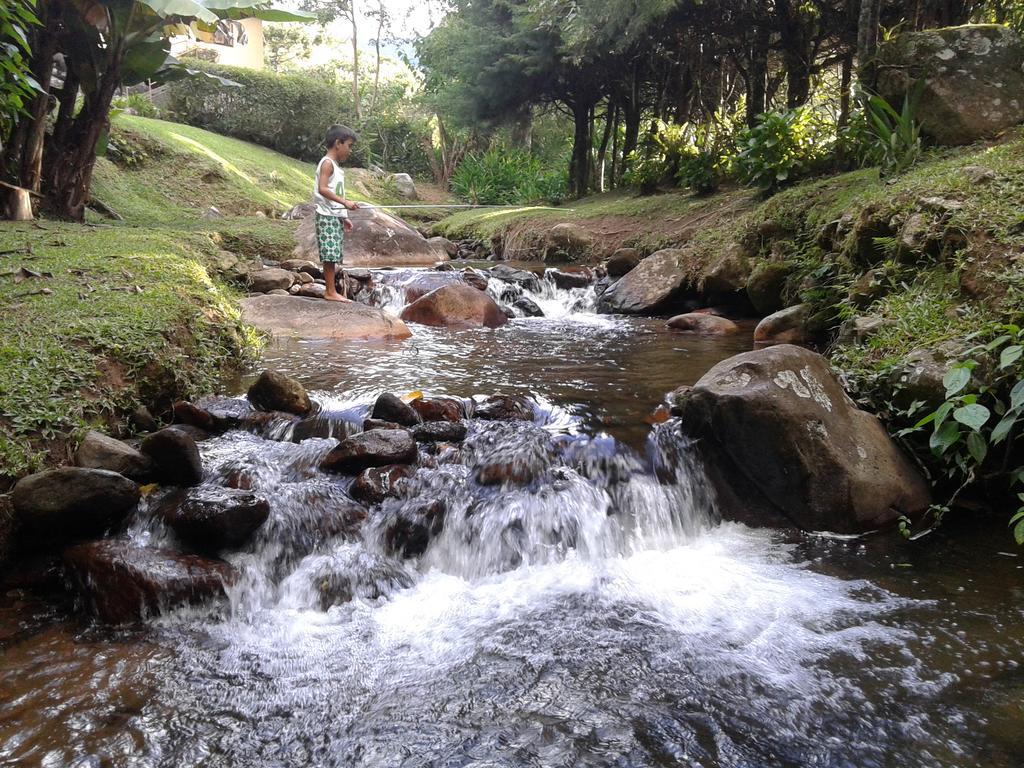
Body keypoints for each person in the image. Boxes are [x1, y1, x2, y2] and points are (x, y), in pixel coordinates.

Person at [313, 124, 360, 302]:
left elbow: (336, 192)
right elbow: (323, 189)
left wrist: (343, 217)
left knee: (333, 253)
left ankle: (331, 290)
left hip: (333, 215)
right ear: (338, 143)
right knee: (329, 254)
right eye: (349, 145)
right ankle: (330, 291)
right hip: (325, 214)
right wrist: (345, 203)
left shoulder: (335, 166)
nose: (350, 150)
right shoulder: (327, 163)